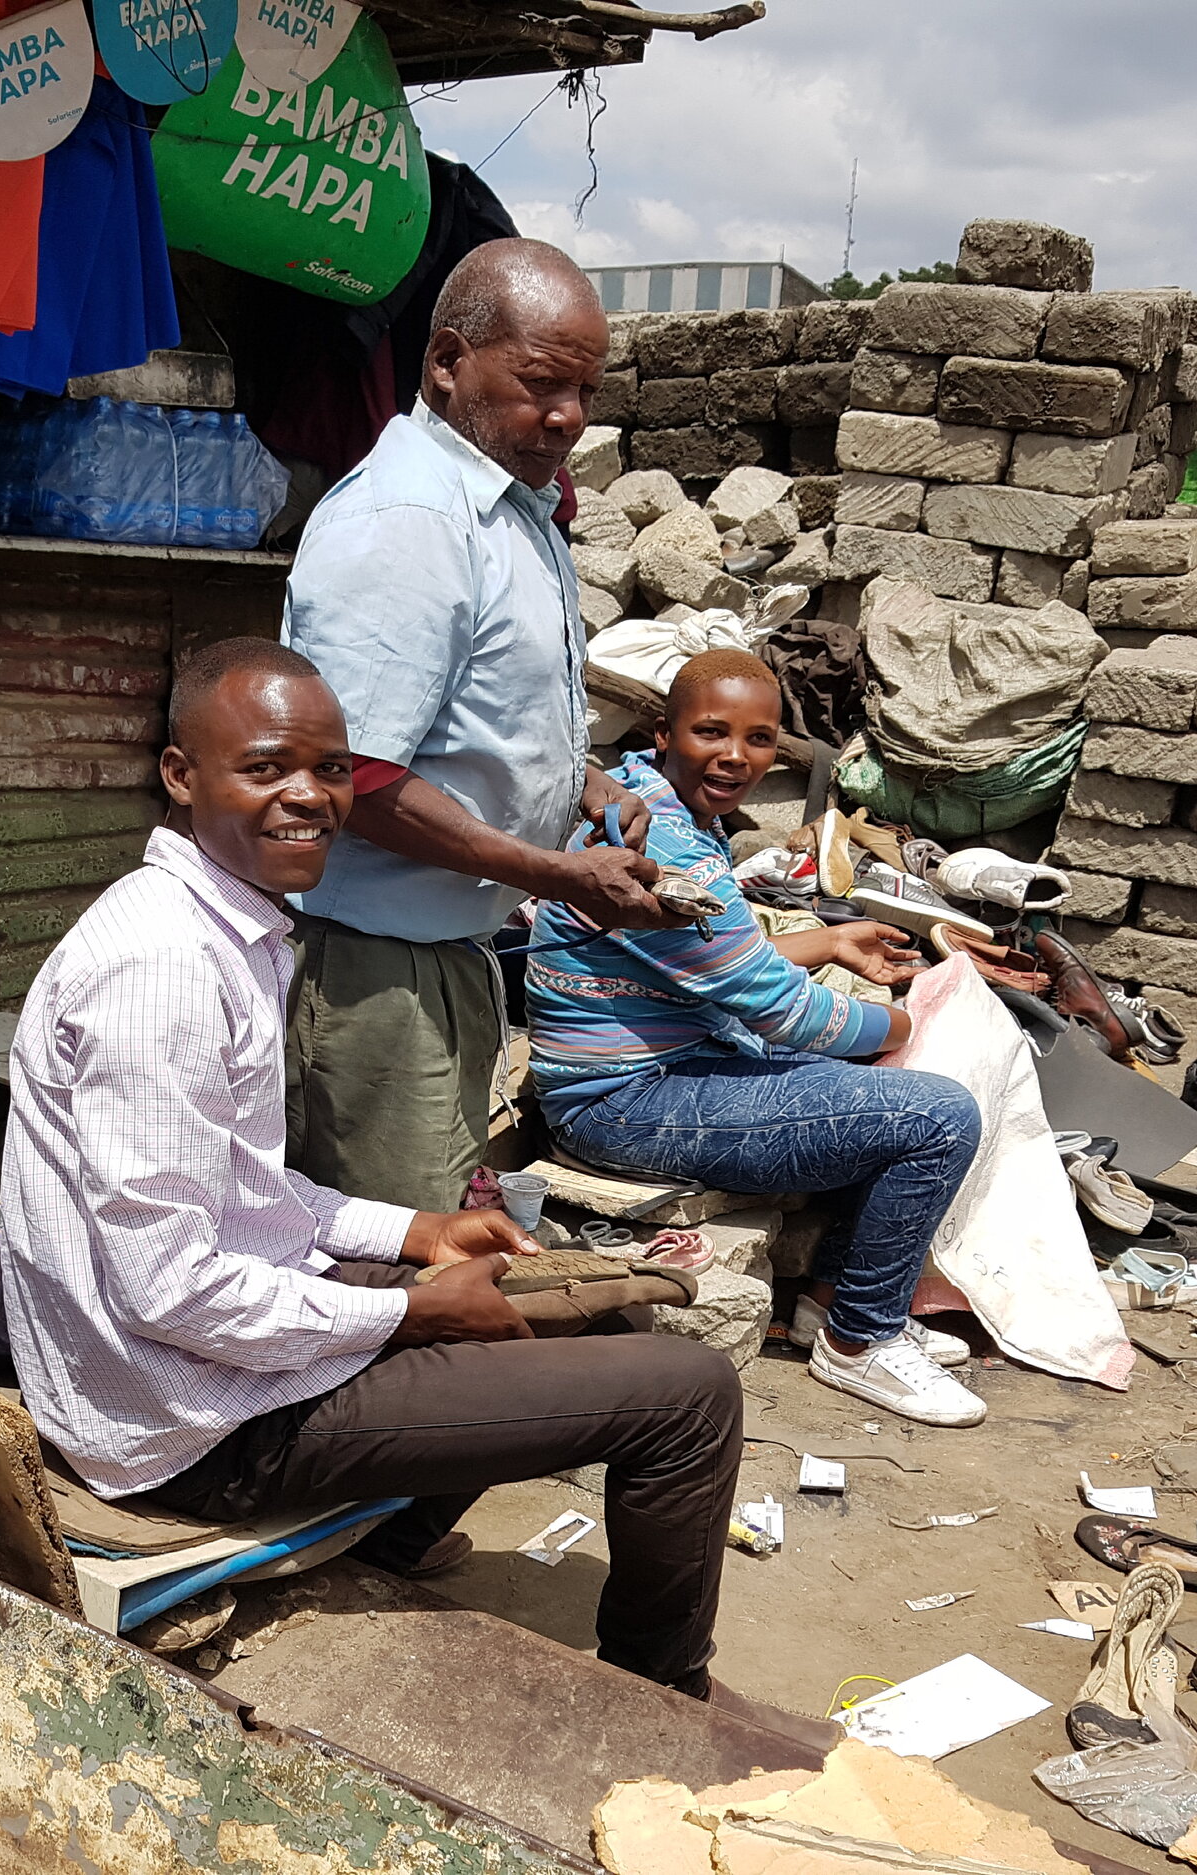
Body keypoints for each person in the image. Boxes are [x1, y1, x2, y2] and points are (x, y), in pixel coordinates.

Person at [0, 638, 746, 1696]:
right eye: (266, 769)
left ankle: (378, 1558)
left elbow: (240, 1190)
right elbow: (169, 1290)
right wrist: (410, 1314)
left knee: (608, 1311)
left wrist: (415, 1237)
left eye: (333, 770)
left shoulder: (226, 928)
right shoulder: (163, 967)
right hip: (197, 1430)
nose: (309, 799)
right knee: (690, 1395)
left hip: (215, 1369)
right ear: (181, 775)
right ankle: (668, 1703)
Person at [282, 237, 679, 1214]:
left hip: (442, 950)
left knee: (432, 1236)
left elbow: (473, 710)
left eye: (586, 391)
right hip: (372, 970)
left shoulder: (509, 511)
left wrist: (584, 787)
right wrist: (546, 871)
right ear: (448, 363)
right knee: (401, 1269)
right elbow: (349, 774)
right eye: (543, 384)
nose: (569, 418)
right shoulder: (409, 522)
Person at [526, 650, 990, 1429]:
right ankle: (861, 1341)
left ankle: (831, 1299)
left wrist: (830, 946)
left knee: (875, 1093)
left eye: (761, 738)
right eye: (712, 731)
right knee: (937, 1115)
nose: (736, 756)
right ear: (663, 731)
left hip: (675, 1065)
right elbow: (786, 1013)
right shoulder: (660, 841)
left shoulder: (658, 806)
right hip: (622, 1098)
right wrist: (920, 1019)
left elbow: (711, 963)